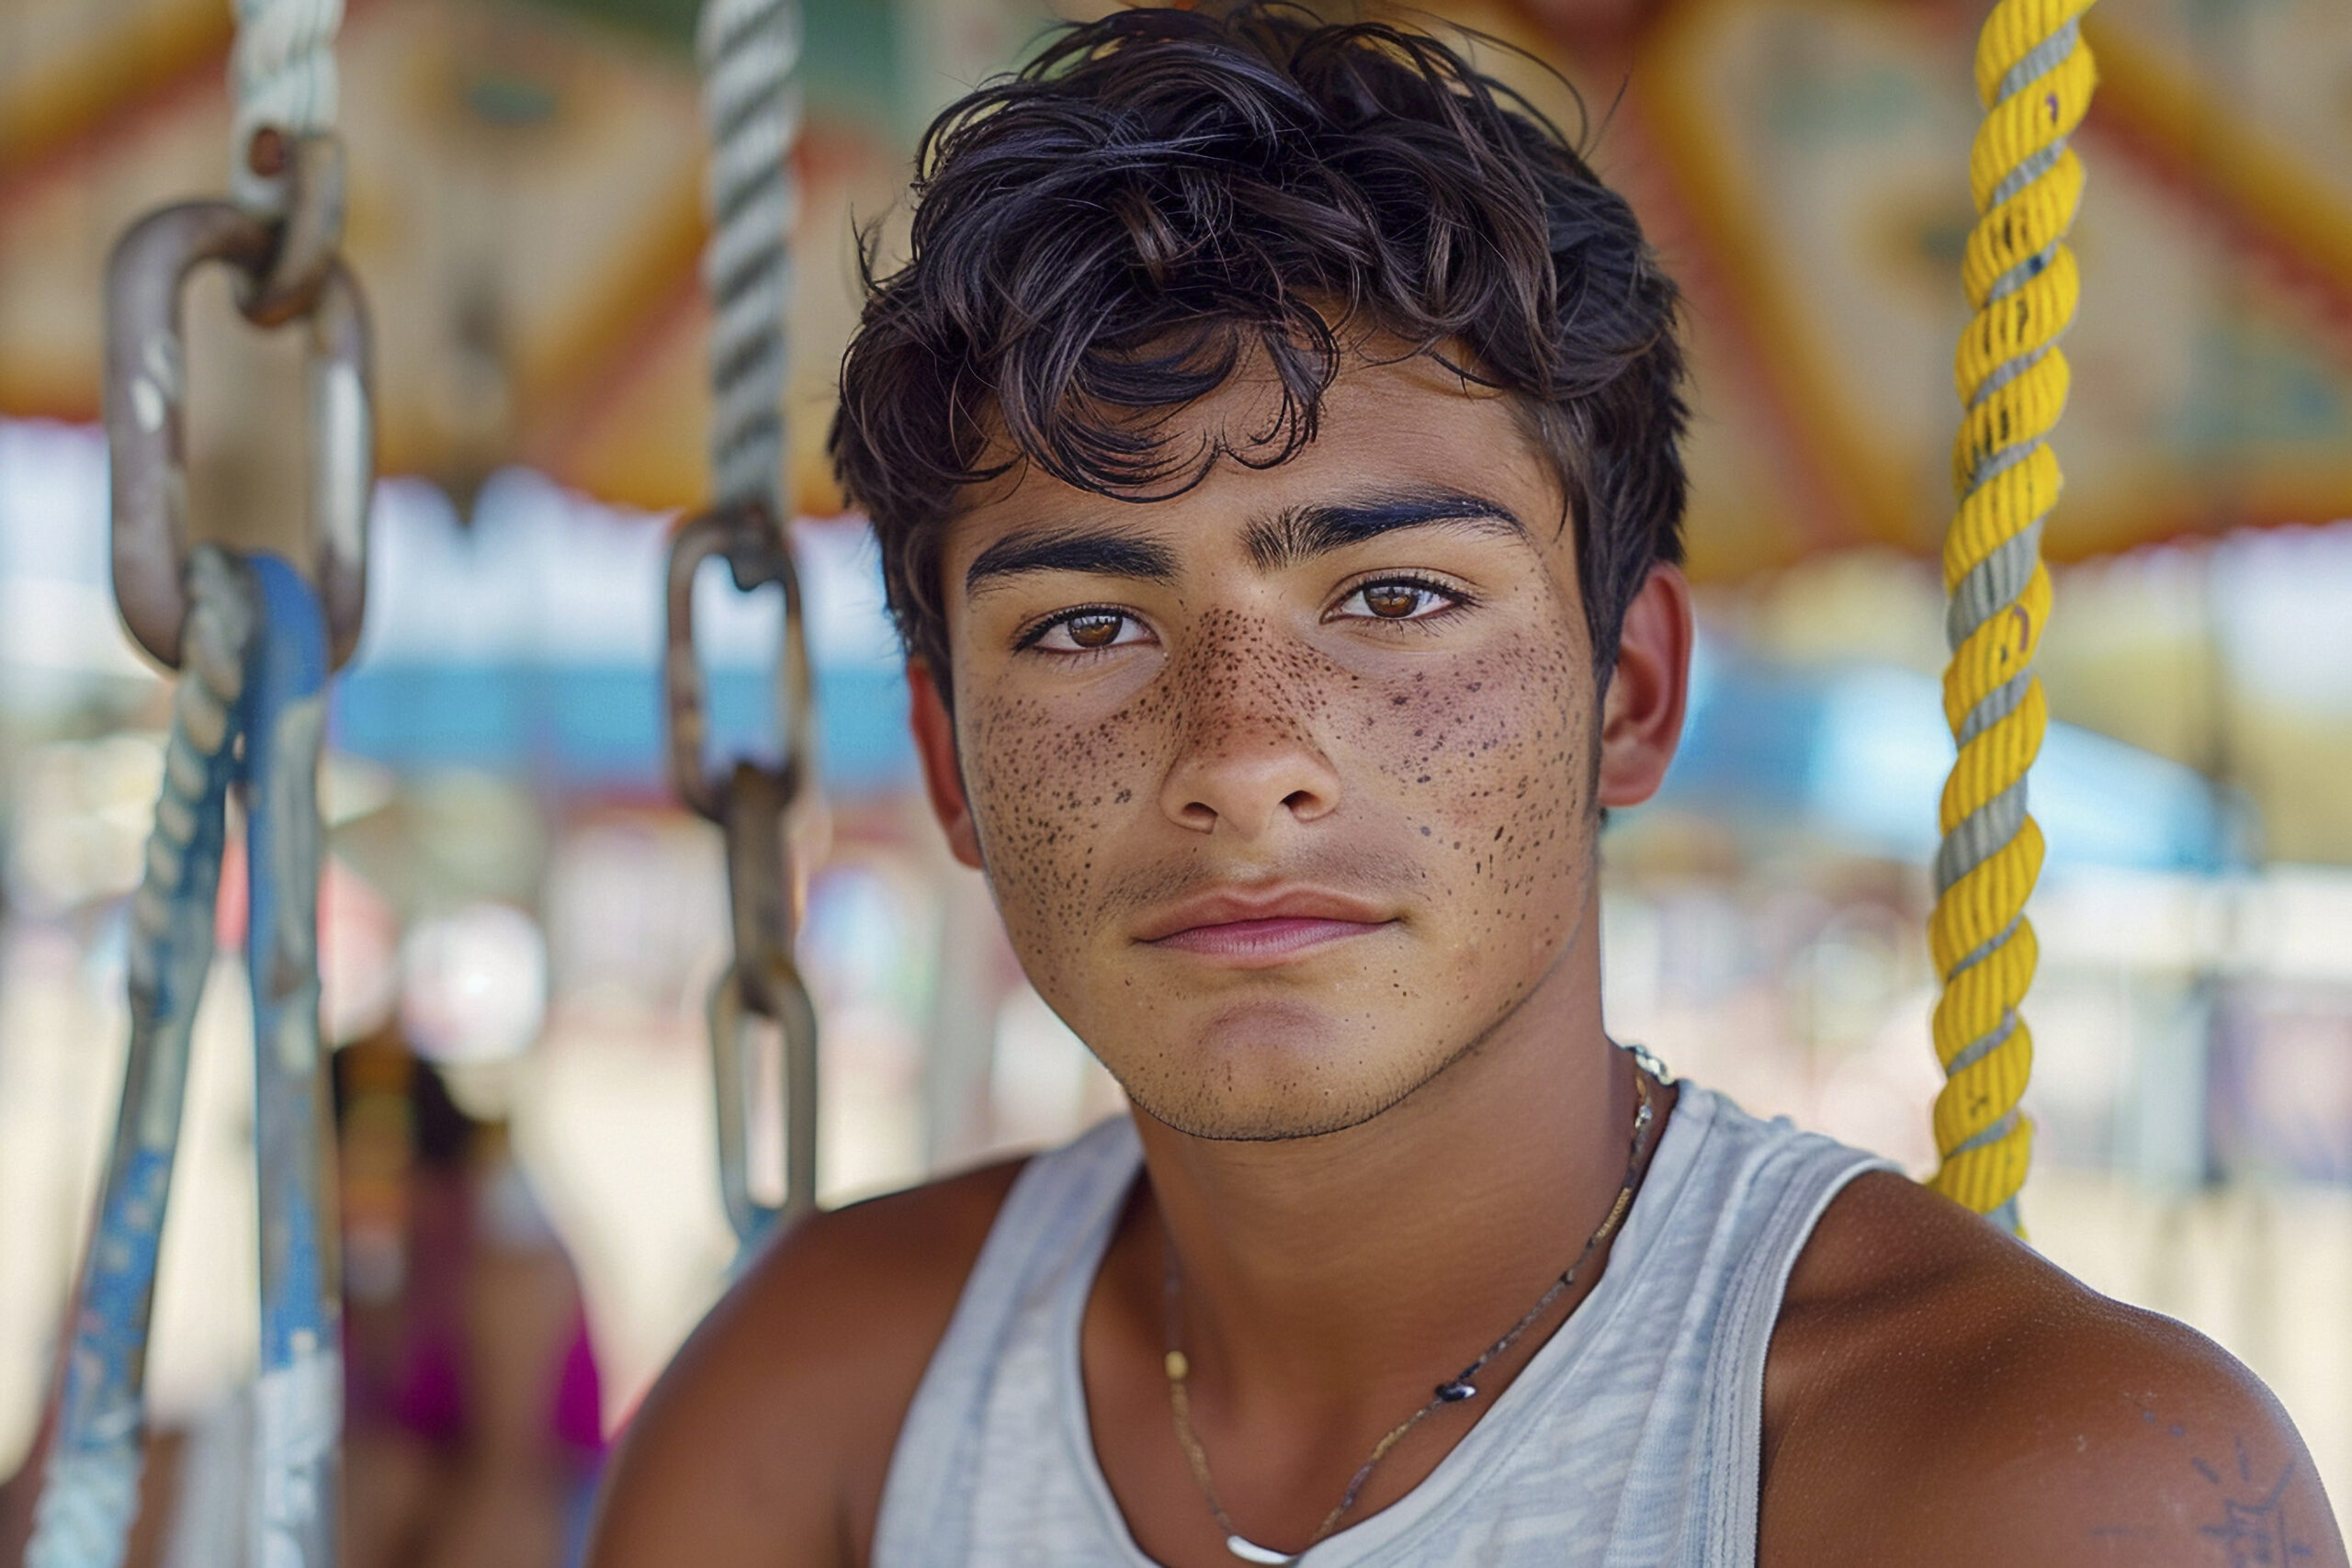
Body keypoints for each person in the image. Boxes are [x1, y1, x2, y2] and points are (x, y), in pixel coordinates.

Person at [583, 7, 2349, 1564]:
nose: (1242, 754)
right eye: (1089, 625)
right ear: (949, 765)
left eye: (1397, 597)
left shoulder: (2020, 1488)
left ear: (1630, 694)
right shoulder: (825, 1407)